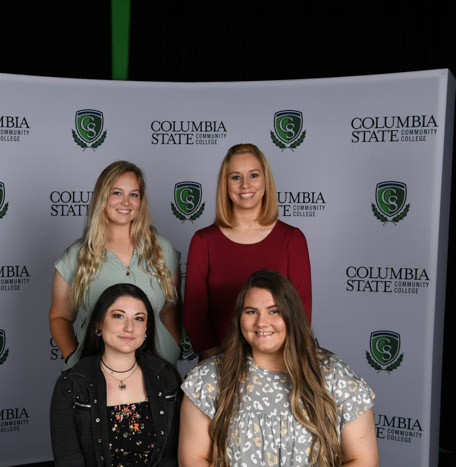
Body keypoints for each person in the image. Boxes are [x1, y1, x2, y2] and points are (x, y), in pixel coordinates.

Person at [179, 270, 378, 467]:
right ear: (239, 318)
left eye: (274, 311)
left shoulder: (335, 376)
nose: (261, 322)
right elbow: (193, 458)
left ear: (293, 315)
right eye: (251, 312)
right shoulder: (208, 378)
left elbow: (363, 459)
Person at [183, 143, 312, 361]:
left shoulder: (292, 239)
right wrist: (218, 363)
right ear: (225, 184)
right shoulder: (203, 241)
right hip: (219, 364)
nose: (245, 185)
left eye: (253, 175)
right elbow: (194, 314)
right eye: (235, 177)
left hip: (279, 363)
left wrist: (275, 364)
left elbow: (301, 312)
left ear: (265, 181)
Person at [49, 161, 182, 368]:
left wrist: (172, 349)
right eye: (117, 193)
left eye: (134, 194)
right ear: (103, 197)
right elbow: (60, 316)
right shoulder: (76, 256)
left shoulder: (162, 250)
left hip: (159, 371)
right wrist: (75, 360)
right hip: (98, 378)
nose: (126, 202)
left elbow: (169, 309)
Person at [50, 283, 181, 466]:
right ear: (99, 325)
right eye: (118, 316)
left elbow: (169, 457)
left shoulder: (164, 376)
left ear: (146, 330)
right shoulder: (71, 385)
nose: (129, 327)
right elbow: (68, 461)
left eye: (139, 318)